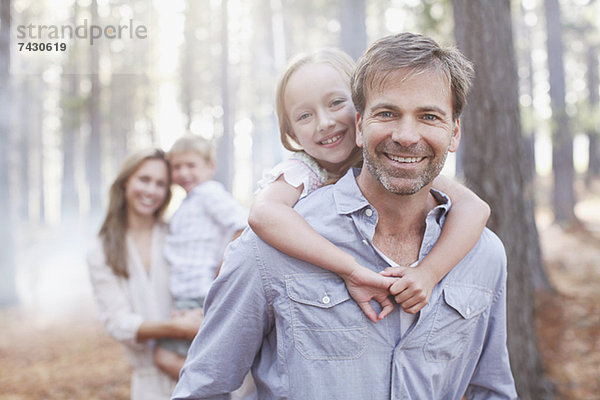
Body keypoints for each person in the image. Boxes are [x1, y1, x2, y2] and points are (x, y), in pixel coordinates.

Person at [172, 32, 518, 399]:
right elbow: (202, 390)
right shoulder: (268, 246)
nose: (405, 135)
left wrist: (431, 272)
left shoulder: (481, 253)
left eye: (429, 116)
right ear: (359, 124)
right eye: (387, 113)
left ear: (454, 132)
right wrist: (349, 269)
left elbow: (492, 390)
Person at [248, 47, 490, 322]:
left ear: (362, 106)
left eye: (336, 103)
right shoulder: (301, 170)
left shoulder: (392, 162)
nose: (325, 122)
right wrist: (349, 269)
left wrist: (429, 272)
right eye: (305, 116)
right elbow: (263, 214)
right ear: (291, 132)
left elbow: (475, 208)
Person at [87, 148, 203, 400]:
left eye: (160, 184)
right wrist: (177, 329)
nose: (151, 191)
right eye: (144, 179)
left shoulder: (178, 235)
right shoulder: (102, 250)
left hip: (199, 369)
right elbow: (118, 323)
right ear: (126, 181)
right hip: (148, 383)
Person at [154, 135, 247, 372]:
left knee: (166, 357)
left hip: (202, 292)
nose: (184, 172)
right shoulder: (188, 203)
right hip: (185, 295)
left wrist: (225, 263)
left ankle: (222, 388)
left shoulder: (209, 193)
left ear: (210, 167)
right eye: (177, 167)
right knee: (191, 356)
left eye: (191, 165)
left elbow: (243, 223)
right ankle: (219, 388)